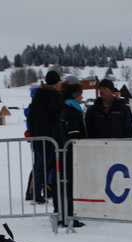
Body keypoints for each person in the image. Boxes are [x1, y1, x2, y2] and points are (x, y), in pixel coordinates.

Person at [27, 70, 64, 204]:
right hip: (52, 138)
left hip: (38, 138)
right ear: (56, 82)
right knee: (53, 167)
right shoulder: (54, 97)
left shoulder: (37, 97)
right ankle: (53, 193)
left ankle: (37, 194)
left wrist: (33, 133)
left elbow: (30, 117)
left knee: (39, 167)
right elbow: (57, 117)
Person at [57, 81, 87, 228]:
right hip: (71, 154)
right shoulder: (73, 111)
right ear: (76, 95)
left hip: (66, 152)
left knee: (66, 185)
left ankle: (65, 215)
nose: (82, 97)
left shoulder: (66, 109)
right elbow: (74, 136)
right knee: (71, 186)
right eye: (81, 94)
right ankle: (70, 216)